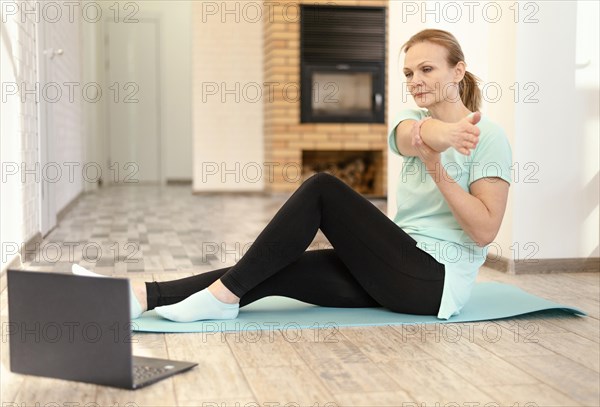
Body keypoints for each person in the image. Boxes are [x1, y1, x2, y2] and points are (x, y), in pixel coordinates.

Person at [74, 28, 512, 322]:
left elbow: (483, 231)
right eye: (408, 72)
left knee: (323, 188)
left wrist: (439, 170)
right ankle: (140, 296)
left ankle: (223, 298)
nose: (415, 80)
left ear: (457, 71)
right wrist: (445, 135)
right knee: (275, 267)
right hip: (394, 266)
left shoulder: (489, 138)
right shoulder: (411, 122)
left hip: (433, 282)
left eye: (427, 69)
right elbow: (415, 135)